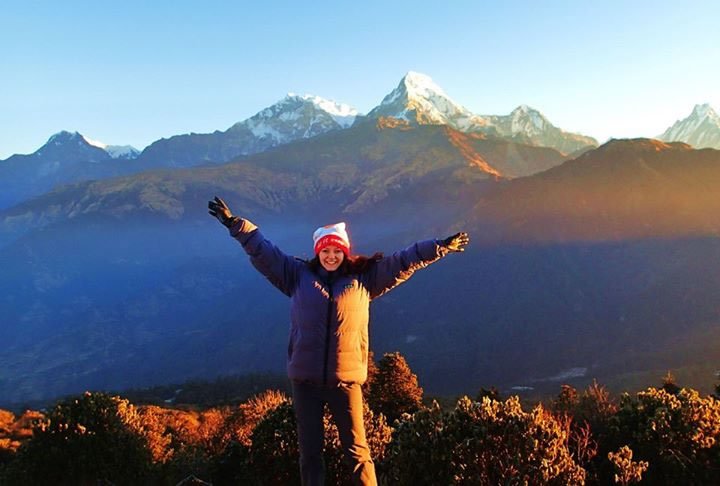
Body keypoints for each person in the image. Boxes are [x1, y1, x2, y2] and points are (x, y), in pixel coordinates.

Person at [208, 196, 469, 486]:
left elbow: (403, 261)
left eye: (336, 250)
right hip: (305, 382)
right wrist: (235, 224)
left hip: (345, 382)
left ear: (344, 252)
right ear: (317, 252)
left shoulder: (364, 279)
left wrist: (438, 247)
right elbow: (263, 252)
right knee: (310, 455)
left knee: (357, 452)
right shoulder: (296, 275)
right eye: (325, 250)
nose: (331, 256)